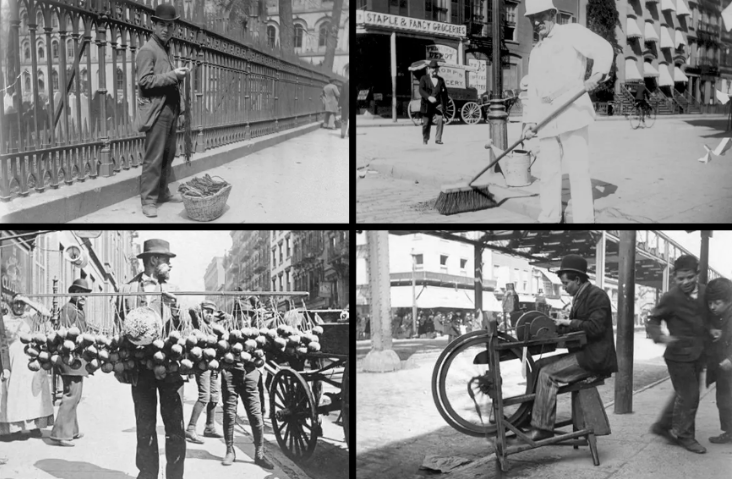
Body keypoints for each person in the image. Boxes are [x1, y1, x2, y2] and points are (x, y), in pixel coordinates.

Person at [522, 0, 613, 223]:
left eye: (540, 16)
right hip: (545, 117)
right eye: (532, 18)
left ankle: (583, 220)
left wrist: (597, 75)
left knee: (578, 170)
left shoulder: (572, 32)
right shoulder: (536, 51)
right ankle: (549, 217)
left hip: (572, 109)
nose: (536, 22)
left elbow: (603, 48)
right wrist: (529, 122)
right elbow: (533, 90)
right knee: (548, 172)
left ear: (552, 13)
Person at [525, 254, 618, 441]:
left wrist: (569, 322)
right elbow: (578, 327)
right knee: (537, 365)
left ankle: (543, 428)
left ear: (577, 279)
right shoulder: (579, 297)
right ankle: (532, 416)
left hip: (594, 358)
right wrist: (557, 328)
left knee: (547, 374)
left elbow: (595, 328)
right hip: (584, 354)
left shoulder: (597, 295)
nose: (565, 288)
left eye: (566, 283)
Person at [115, 239, 185, 479]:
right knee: (144, 425)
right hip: (140, 367)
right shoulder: (126, 289)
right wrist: (121, 364)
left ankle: (175, 476)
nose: (170, 266)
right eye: (167, 261)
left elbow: (185, 327)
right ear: (154, 260)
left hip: (169, 365)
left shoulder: (174, 287)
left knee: (174, 426)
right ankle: (147, 474)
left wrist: (174, 307)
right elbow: (118, 326)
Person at [646, 254, 711, 454]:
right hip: (677, 356)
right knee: (690, 396)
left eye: (690, 277)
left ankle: (662, 426)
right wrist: (661, 337)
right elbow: (653, 320)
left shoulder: (706, 292)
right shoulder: (670, 297)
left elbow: (713, 315)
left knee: (683, 393)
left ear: (698, 275)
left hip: (699, 354)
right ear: (674, 277)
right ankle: (685, 436)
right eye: (680, 278)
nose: (685, 282)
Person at [134, 3, 189, 218]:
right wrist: (174, 75)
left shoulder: (165, 48)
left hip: (170, 109)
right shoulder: (148, 50)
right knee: (154, 157)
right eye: (162, 25)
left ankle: (163, 192)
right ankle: (148, 200)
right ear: (153, 25)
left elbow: (168, 79)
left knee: (168, 154)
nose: (166, 29)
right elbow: (145, 82)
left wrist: (181, 108)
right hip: (157, 111)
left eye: (170, 26)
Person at [0, 293, 54, 439]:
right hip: (12, 360)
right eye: (16, 303)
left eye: (21, 304)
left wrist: (27, 301)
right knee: (14, 394)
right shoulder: (5, 319)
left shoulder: (30, 317)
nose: (19, 306)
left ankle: (34, 427)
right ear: (11, 305)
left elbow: (47, 314)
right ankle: (15, 427)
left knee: (32, 393)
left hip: (30, 359)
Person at [49, 279, 92, 447]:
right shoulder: (68, 308)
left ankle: (71, 430)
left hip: (79, 356)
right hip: (70, 356)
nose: (83, 297)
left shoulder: (77, 308)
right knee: (71, 394)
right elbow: (64, 332)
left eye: (85, 294)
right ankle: (60, 434)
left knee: (76, 394)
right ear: (73, 292)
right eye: (79, 292)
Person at [185, 301, 224, 444]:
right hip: (202, 366)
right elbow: (192, 311)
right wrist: (196, 311)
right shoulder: (199, 325)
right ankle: (191, 428)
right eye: (206, 311)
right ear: (202, 312)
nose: (209, 314)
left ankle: (209, 427)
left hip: (214, 366)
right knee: (204, 396)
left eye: (211, 312)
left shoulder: (215, 327)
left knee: (214, 396)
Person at [705, 277, 732, 445]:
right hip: (724, 371)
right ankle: (729, 431)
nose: (712, 307)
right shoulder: (719, 316)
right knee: (724, 401)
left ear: (729, 300)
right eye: (710, 303)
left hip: (729, 366)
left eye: (717, 302)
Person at [419, 60, 448, 145]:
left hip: (437, 104)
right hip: (427, 104)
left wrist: (444, 107)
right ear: (429, 69)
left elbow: (444, 94)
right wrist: (428, 97)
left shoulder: (441, 80)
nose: (434, 70)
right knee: (426, 123)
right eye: (432, 69)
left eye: (435, 69)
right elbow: (421, 90)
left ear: (438, 69)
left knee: (440, 120)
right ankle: (425, 138)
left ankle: (438, 139)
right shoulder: (424, 78)